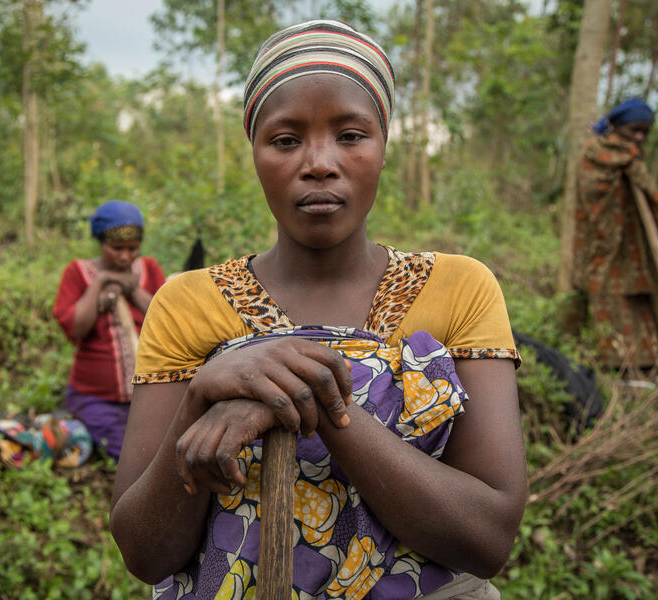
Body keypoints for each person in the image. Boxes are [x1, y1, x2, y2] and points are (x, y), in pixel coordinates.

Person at [110, 21, 526, 600]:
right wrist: (200, 402)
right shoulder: (187, 302)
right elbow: (144, 553)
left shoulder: (461, 288)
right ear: (256, 156)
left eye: (351, 135)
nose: (320, 163)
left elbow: (488, 537)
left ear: (383, 149)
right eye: (286, 140)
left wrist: (317, 404)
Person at [53, 200, 165, 461]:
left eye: (132, 248)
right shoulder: (78, 273)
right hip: (95, 398)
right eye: (116, 249)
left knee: (158, 447)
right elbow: (76, 330)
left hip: (149, 395)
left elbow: (167, 319)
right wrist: (101, 282)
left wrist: (131, 290)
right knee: (128, 454)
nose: (125, 256)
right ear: (100, 243)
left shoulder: (148, 269)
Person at [571, 98, 658, 369]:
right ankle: (614, 363)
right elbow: (590, 196)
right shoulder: (596, 153)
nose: (640, 137)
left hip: (634, 248)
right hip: (603, 244)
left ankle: (646, 361)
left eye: (645, 131)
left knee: (639, 299)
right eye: (634, 130)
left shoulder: (632, 159)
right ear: (618, 126)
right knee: (608, 297)